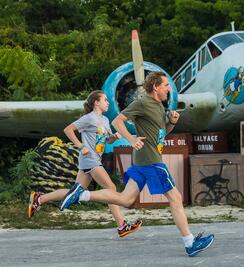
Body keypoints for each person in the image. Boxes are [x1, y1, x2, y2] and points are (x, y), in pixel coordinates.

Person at [59, 72, 215, 257]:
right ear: (155, 86)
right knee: (175, 197)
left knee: (125, 199)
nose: (169, 88)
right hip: (151, 161)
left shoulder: (159, 106)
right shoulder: (142, 102)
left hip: (142, 161)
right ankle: (190, 243)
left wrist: (172, 123)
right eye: (165, 85)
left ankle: (82, 195)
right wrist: (131, 139)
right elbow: (118, 121)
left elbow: (161, 133)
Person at [28, 90, 142, 238]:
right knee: (111, 188)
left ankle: (39, 199)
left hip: (94, 159)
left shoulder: (106, 120)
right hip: (90, 159)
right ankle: (121, 226)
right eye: (105, 100)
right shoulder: (88, 118)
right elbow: (68, 130)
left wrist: (114, 137)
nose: (108, 102)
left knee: (75, 192)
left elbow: (106, 141)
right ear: (96, 102)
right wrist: (81, 146)